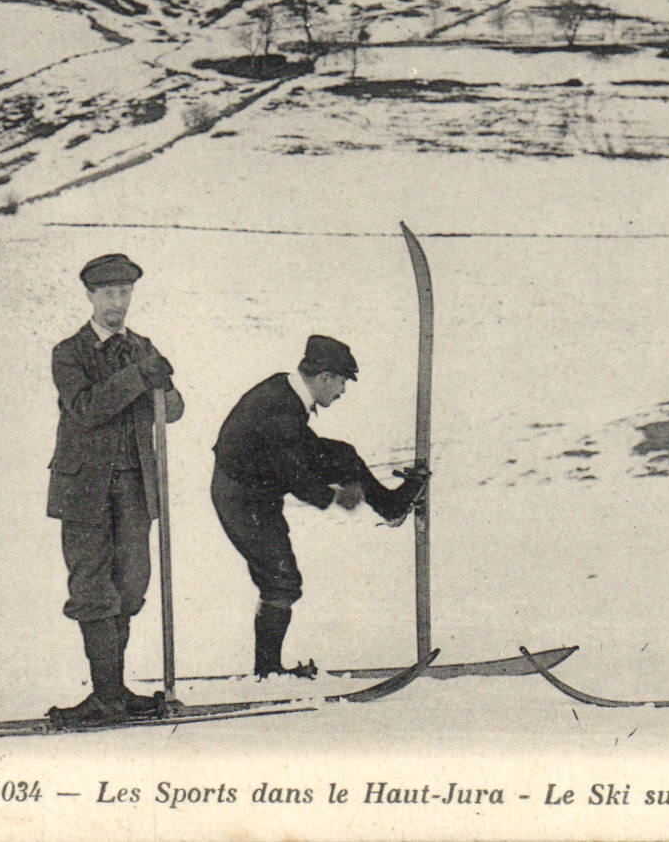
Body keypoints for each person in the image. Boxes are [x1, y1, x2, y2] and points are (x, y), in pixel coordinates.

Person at [211, 335, 428, 678]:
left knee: (343, 455)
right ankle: (267, 672)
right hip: (242, 498)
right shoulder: (282, 409)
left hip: (262, 480)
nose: (341, 392)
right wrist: (335, 497)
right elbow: (294, 474)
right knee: (282, 580)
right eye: (342, 382)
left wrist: (342, 480)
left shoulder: (286, 391)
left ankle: (391, 507)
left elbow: (295, 455)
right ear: (325, 377)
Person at [45, 253, 183, 727]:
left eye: (124, 293)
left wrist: (162, 380)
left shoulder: (142, 347)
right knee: (92, 586)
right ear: (90, 296)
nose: (117, 302)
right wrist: (139, 376)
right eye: (107, 293)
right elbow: (85, 407)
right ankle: (105, 696)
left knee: (131, 585)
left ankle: (115, 693)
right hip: (84, 488)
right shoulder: (69, 352)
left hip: (135, 487)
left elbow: (174, 409)